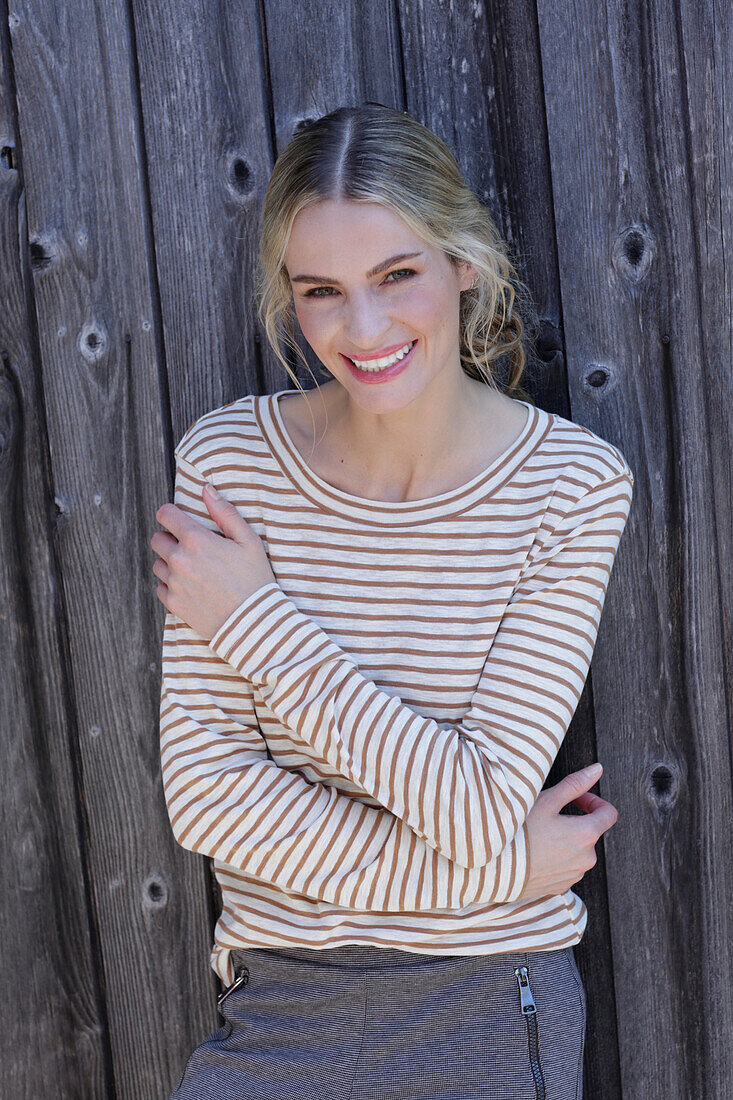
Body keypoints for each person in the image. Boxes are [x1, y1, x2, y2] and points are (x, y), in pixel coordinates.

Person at [152, 103, 634, 1099]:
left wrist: (255, 622)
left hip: (490, 1004)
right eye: (320, 291)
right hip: (278, 1000)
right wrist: (496, 872)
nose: (361, 329)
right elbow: (208, 794)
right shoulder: (229, 462)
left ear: (462, 262)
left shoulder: (568, 486)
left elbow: (481, 801)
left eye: (395, 275)